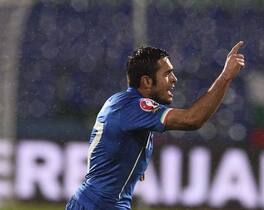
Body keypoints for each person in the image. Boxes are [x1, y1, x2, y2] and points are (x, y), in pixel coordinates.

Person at [65, 41, 245, 210]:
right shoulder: (134, 106)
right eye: (167, 74)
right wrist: (225, 76)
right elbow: (192, 119)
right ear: (147, 81)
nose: (174, 79)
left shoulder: (122, 103)